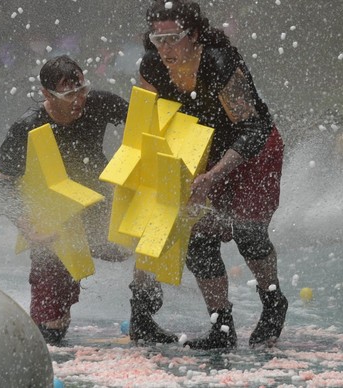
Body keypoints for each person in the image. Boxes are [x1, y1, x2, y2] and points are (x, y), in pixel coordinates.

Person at [0, 55, 176, 345]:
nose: (79, 100)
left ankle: (143, 317)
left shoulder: (98, 103)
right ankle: (46, 327)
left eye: (82, 89)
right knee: (51, 331)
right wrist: (26, 224)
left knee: (151, 233)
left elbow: (145, 125)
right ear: (47, 94)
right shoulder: (28, 128)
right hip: (57, 222)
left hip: (99, 205)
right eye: (69, 94)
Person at [139, 0, 288, 349]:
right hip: (199, 150)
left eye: (172, 38)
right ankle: (221, 327)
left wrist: (214, 175)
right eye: (157, 39)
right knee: (198, 239)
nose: (164, 48)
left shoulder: (220, 62)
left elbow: (252, 127)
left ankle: (273, 301)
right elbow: (152, 123)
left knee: (247, 232)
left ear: (193, 34)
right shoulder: (152, 66)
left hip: (252, 150)